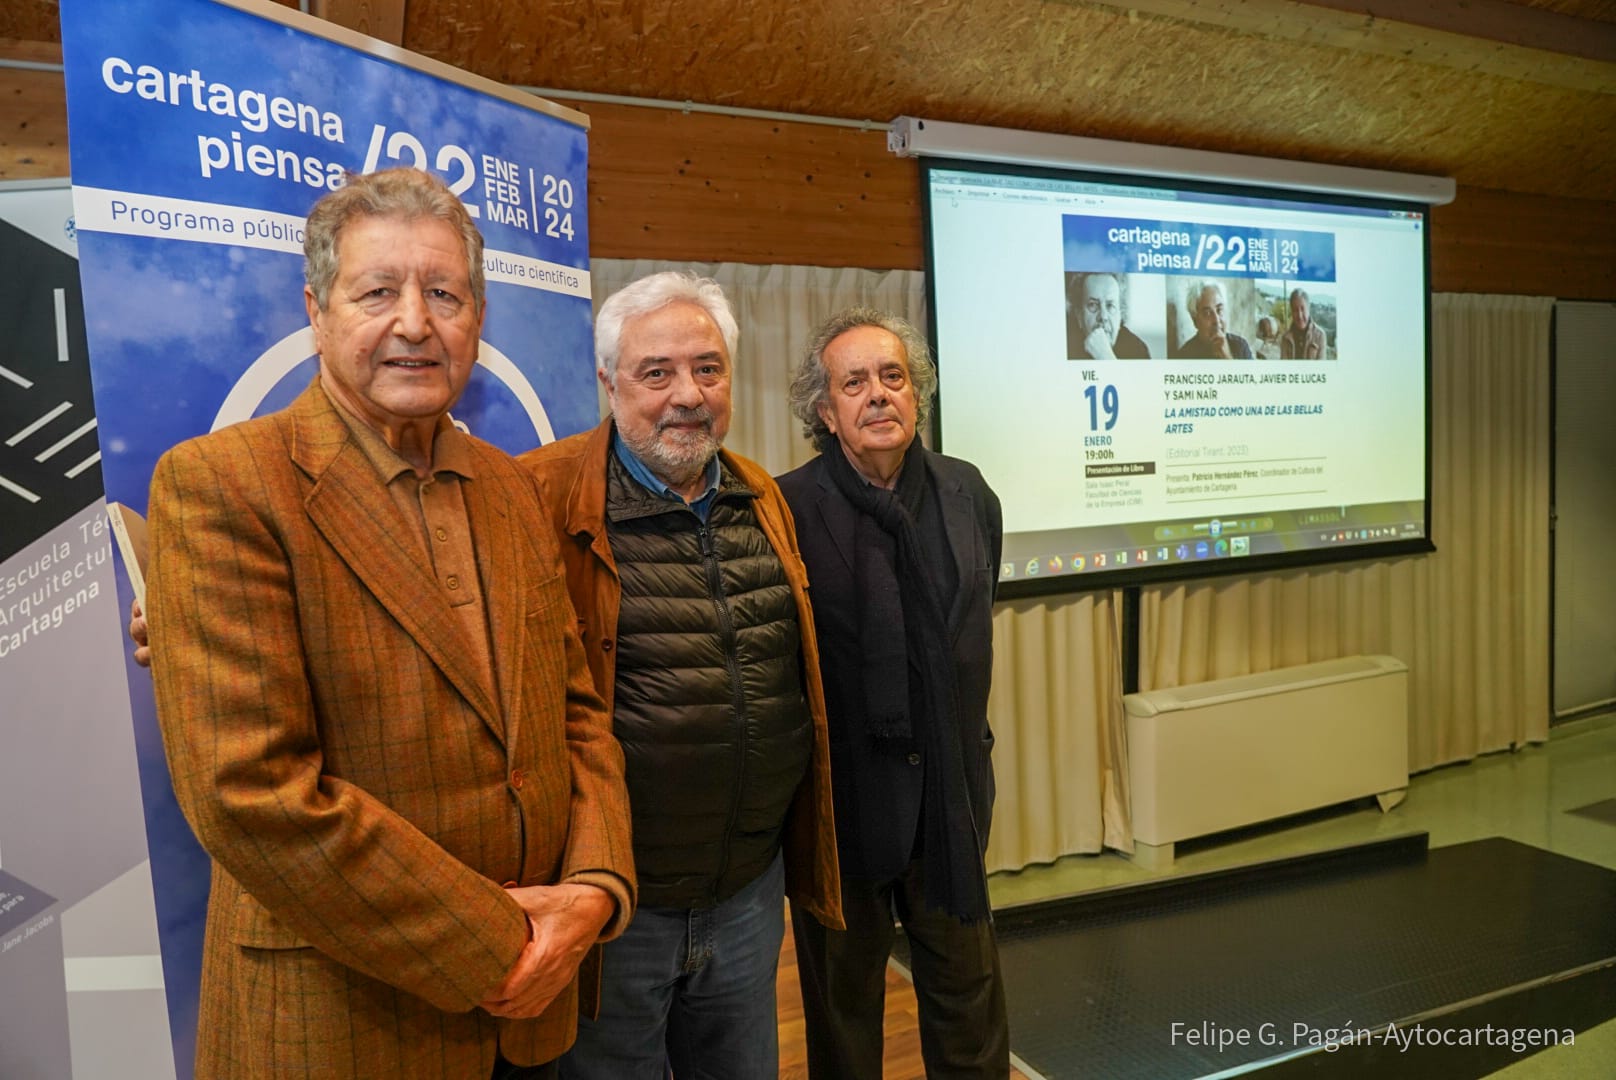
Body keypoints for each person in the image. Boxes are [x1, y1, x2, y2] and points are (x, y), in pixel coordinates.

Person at [138, 168, 635, 1080]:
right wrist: (508, 941)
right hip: (344, 1024)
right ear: (317, 310)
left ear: (478, 317)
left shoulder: (510, 488)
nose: (415, 321)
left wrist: (595, 890)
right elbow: (252, 794)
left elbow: (576, 715)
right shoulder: (221, 486)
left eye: (444, 293)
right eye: (378, 291)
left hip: (533, 1023)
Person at [518, 271, 843, 1080]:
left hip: (744, 897)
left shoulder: (761, 494)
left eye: (707, 368)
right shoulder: (541, 495)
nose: (686, 395)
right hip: (620, 911)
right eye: (656, 372)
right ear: (608, 383)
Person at [779, 308, 1010, 1078]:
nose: (878, 395)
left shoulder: (968, 493)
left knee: (970, 1010)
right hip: (842, 815)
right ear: (825, 409)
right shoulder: (785, 510)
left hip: (949, 805)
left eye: (893, 377)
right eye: (855, 383)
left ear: (917, 393)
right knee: (844, 1025)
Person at [1068, 271, 1150, 359]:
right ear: (1079, 316)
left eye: (1110, 306)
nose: (1103, 316)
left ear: (1120, 315)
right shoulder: (1066, 348)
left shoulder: (1138, 350)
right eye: (1093, 305)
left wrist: (1105, 356)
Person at [1178, 281, 1253, 359]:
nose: (1216, 320)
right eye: (1207, 313)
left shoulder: (1240, 346)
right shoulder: (1185, 355)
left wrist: (1228, 357)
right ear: (1195, 321)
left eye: (1219, 310)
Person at [1281, 287, 1328, 359]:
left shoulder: (1320, 336)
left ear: (1308, 309)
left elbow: (1321, 367)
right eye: (1295, 310)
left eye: (1302, 309)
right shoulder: (1286, 338)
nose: (1299, 315)